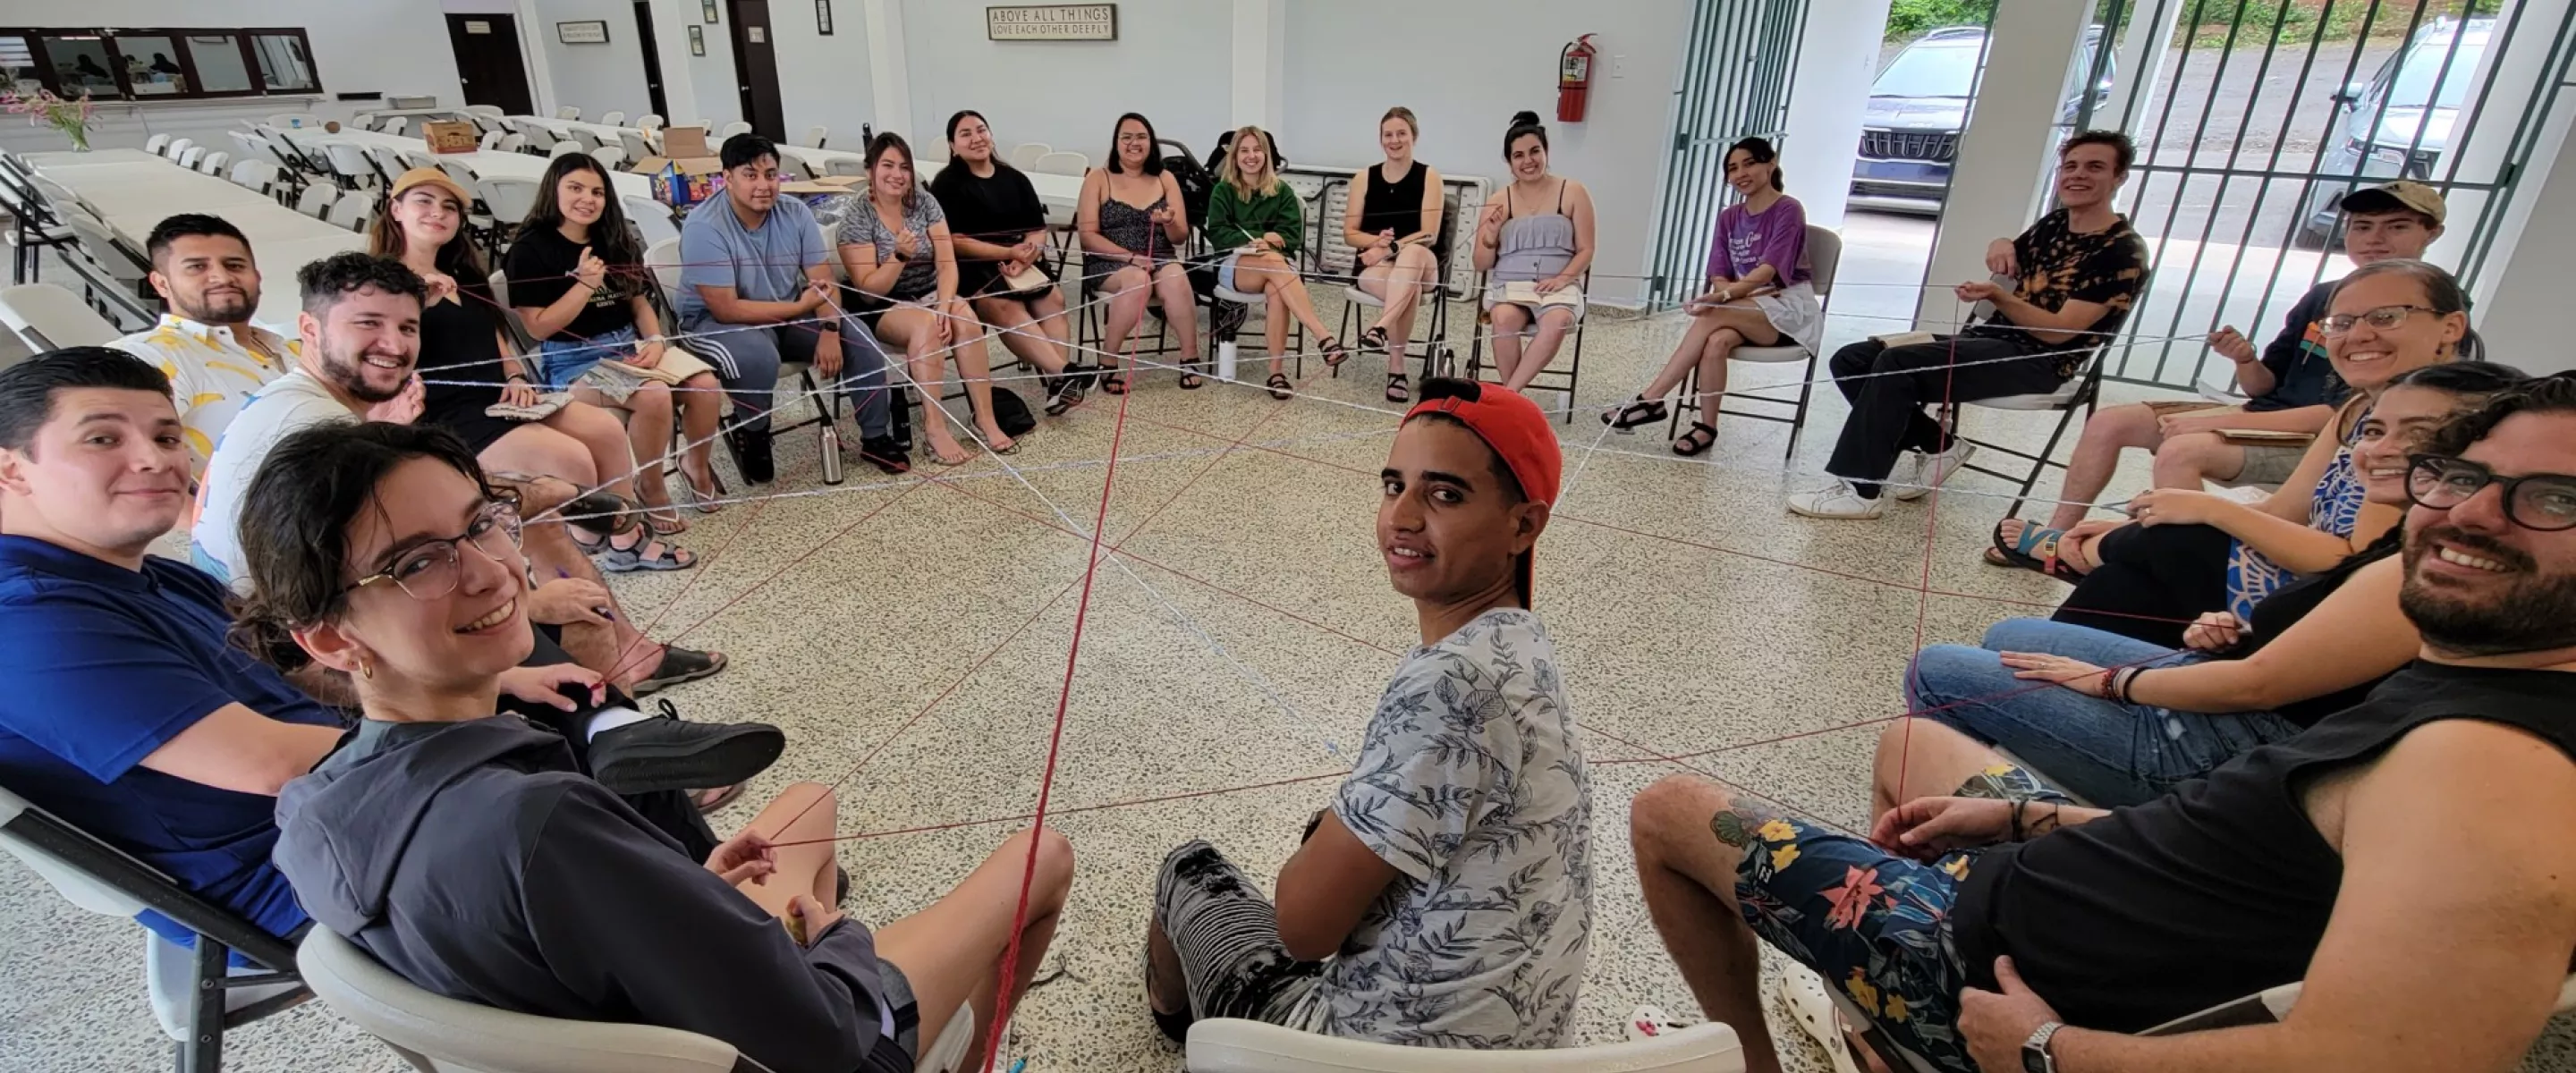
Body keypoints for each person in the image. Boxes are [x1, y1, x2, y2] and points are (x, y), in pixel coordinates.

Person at [1628, 371, 2576, 1073]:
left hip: (1990, 977)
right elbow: (2273, 853)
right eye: (2459, 476)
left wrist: (2047, 1047)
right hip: (2067, 886)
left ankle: (1761, 1061)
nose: (2473, 515)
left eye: (2554, 499)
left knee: (1671, 808)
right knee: (1913, 741)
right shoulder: (2481, 690)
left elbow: (2387, 1061)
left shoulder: (2491, 770)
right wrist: (2035, 818)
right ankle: (1880, 1041)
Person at [248, 419, 1074, 1073]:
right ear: (329, 638)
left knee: (806, 807)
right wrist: (840, 944)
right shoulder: (539, 821)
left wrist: (680, 897)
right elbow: (818, 1040)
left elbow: (545, 930)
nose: (492, 572)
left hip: (625, 1006)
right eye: (420, 563)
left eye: (482, 526)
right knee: (1043, 857)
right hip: (808, 1045)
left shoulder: (312, 809)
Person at [0, 347, 776, 958]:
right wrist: (482, 720)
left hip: (337, 808)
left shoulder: (130, 574)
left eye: (166, 434)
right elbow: (269, 765)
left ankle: (706, 879)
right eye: (104, 438)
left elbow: (300, 669)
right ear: (11, 467)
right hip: (304, 866)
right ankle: (702, 903)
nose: (156, 459)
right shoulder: (31, 624)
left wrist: (502, 679)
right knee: (516, 704)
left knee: (531, 667)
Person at [1145, 378, 1590, 1049]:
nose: (1403, 516)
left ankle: (1180, 1029)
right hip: (1520, 1054)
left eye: (1444, 494)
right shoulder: (1522, 643)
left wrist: (1317, 855)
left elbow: (1302, 930)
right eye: (1393, 485)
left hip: (1372, 1054)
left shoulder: (1449, 684)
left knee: (1188, 871)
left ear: (1523, 524)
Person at [1885, 360, 2525, 810]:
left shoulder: (2415, 571)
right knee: (2013, 633)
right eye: (2376, 430)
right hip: (2239, 700)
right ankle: (1996, 777)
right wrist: (2236, 632)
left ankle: (1972, 843)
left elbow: (2260, 685)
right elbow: (2320, 658)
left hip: (2220, 751)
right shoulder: (2402, 540)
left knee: (1939, 669)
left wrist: (2109, 683)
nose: (2377, 449)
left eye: (2422, 437)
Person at [193, 252, 724, 697]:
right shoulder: (320, 431)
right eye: (368, 324)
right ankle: (625, 760)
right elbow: (382, 576)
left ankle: (632, 657)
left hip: (313, 618)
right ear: (309, 329)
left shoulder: (300, 402)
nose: (395, 345)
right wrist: (526, 601)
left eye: (407, 327)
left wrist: (546, 498)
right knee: (576, 611)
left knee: (539, 521)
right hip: (304, 661)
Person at [1996, 180, 2447, 553]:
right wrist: (2245, 359)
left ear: (2431, 234)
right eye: (2362, 226)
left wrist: (2217, 420)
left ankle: (2172, 563)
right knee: (2111, 421)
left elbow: (2346, 415)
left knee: (2182, 449)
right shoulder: (2325, 294)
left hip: (2322, 443)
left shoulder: (2434, 311)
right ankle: (2059, 535)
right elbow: (2263, 386)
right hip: (2268, 417)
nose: (2374, 239)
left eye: (2396, 226)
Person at [2039, 259, 2470, 647]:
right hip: (2302, 578)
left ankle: (2077, 557)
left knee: (2175, 536)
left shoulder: (2440, 425)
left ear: (2450, 327)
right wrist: (2135, 530)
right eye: (2341, 323)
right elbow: (2284, 510)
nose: (2359, 334)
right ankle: (2042, 681)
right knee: (2127, 579)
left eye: (2386, 317)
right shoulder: (2358, 408)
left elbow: (2350, 561)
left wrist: (2204, 512)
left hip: (2332, 610)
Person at [1791, 131, 2149, 520]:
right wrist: (2000, 242)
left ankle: (1861, 491)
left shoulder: (2121, 250)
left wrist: (1998, 296)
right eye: (2071, 166)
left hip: (2039, 360)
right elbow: (2009, 251)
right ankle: (1940, 444)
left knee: (1899, 365)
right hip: (1989, 340)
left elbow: (2058, 332)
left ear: (2119, 177)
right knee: (1853, 358)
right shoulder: (2055, 224)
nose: (2078, 175)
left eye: (2095, 167)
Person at [373, 167, 693, 573]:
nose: (439, 213)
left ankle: (620, 538)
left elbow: (498, 339)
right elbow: (384, 356)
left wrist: (516, 377)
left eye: (449, 206)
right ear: (396, 209)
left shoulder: (463, 273)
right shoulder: (384, 285)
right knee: (572, 459)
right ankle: (598, 541)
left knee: (608, 432)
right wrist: (418, 301)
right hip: (447, 416)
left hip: (504, 395)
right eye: (425, 201)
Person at [506, 152, 727, 530]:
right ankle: (652, 485)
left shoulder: (614, 238)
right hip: (573, 362)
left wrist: (655, 339)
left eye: (597, 191)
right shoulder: (530, 249)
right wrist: (585, 285)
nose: (587, 199)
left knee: (706, 385)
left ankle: (696, 464)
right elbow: (539, 328)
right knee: (654, 394)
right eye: (575, 188)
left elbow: (638, 302)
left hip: (629, 349)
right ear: (553, 191)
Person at [679, 133, 902, 482]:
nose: (763, 185)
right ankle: (752, 432)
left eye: (770, 174)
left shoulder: (795, 213)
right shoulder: (704, 226)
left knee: (857, 336)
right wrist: (798, 306)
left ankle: (875, 436)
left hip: (787, 310)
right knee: (757, 356)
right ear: (727, 178)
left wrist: (829, 330)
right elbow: (726, 309)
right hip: (713, 323)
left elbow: (823, 282)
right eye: (750, 175)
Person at [1602, 138, 1822, 456]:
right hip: (1742, 306)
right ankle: (1707, 427)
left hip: (1786, 309)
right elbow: (1719, 271)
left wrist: (1723, 298)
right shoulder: (1729, 216)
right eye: (1733, 168)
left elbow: (1768, 271)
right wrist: (1722, 294)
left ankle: (1652, 399)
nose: (1740, 173)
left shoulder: (1788, 209)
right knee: (1717, 340)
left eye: (1749, 164)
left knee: (1711, 314)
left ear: (1770, 164)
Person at [838, 132, 1013, 467]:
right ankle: (934, 427)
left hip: (930, 293)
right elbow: (869, 288)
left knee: (965, 319)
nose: (897, 174)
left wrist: (946, 307)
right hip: (882, 304)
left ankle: (985, 417)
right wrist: (899, 257)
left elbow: (947, 263)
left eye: (904, 166)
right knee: (926, 326)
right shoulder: (857, 217)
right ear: (869, 170)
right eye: (887, 165)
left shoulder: (924, 201)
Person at [929, 109, 1089, 418]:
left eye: (981, 130)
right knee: (1006, 307)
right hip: (971, 268)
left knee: (1052, 297)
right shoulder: (947, 184)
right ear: (952, 145)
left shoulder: (1014, 178)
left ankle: (1060, 385)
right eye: (966, 134)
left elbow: (1037, 229)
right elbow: (953, 241)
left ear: (990, 134)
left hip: (1019, 261)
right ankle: (1064, 373)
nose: (976, 138)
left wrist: (1029, 252)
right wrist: (1007, 254)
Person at [110, 214, 293, 477]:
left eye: (235, 265)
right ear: (161, 284)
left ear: (257, 275)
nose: (221, 277)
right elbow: (123, 467)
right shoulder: (149, 357)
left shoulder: (291, 348)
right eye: (197, 267)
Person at [1207, 123, 1345, 401]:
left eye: (1257, 149)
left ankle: (1276, 374)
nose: (1251, 156)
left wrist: (1270, 245)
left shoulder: (1282, 191)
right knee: (1272, 263)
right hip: (1235, 263)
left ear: (1266, 154)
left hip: (1277, 268)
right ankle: (1323, 336)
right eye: (1244, 150)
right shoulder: (1223, 191)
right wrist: (1260, 240)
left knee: (1276, 289)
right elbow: (1219, 234)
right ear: (1234, 157)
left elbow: (1292, 237)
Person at [1472, 111, 1596, 393]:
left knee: (1558, 320)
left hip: (1558, 287)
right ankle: (1513, 399)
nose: (1528, 161)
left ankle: (1508, 396)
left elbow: (1587, 249)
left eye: (1534, 152)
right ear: (1509, 161)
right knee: (1502, 320)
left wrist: (1563, 278)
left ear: (1546, 151)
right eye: (1518, 155)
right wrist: (1490, 238)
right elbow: (1480, 264)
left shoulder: (1573, 191)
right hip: (1510, 287)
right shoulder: (1498, 200)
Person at [1077, 112, 1197, 395]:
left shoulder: (1165, 178)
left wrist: (1169, 222)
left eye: (1141, 137)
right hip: (1109, 262)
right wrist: (1130, 258)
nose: (1134, 143)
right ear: (1116, 143)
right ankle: (1108, 361)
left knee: (1177, 277)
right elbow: (1087, 236)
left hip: (1161, 257)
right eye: (1126, 137)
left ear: (1151, 142)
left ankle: (1190, 357)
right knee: (1137, 280)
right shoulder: (1098, 178)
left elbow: (1180, 238)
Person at [1343, 106, 1445, 404]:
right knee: (1407, 285)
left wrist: (1391, 247)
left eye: (1401, 133)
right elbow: (1349, 233)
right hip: (1377, 266)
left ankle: (1381, 327)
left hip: (1421, 261)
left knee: (1411, 254)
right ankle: (1396, 368)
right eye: (1388, 134)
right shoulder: (1364, 178)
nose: (1395, 140)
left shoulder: (1430, 177)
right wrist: (1375, 242)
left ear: (1413, 136)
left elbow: (1429, 233)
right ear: (1381, 139)